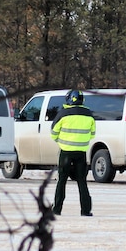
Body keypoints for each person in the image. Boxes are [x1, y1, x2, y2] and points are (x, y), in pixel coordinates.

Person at [51, 89, 96, 217]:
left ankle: (57, 209)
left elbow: (53, 133)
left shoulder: (63, 114)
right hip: (81, 153)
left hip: (65, 152)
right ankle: (86, 210)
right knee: (82, 181)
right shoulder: (89, 114)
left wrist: (61, 141)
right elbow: (92, 134)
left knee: (62, 181)